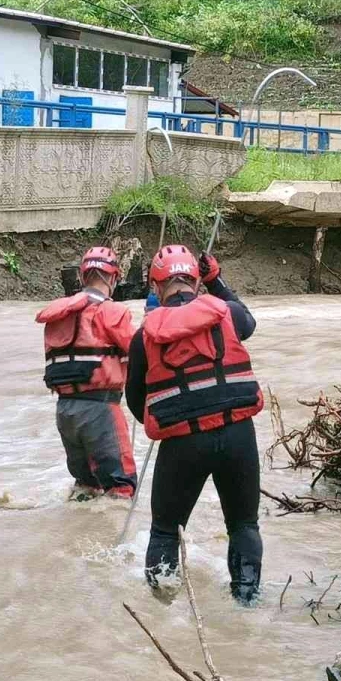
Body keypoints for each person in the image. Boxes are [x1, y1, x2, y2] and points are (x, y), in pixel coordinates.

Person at [124, 245, 264, 604]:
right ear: (197, 281)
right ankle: (247, 602)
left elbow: (139, 404)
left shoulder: (144, 337)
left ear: (156, 288)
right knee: (243, 526)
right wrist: (217, 282)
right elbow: (249, 319)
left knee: (165, 531)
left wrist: (175, 422)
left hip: (183, 445)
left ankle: (162, 606)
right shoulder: (228, 313)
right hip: (238, 436)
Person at [36, 246, 138, 501]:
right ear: (113, 277)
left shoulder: (57, 315)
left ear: (82, 277)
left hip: (65, 412)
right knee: (121, 488)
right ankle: (115, 540)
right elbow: (142, 351)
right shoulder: (112, 312)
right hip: (100, 410)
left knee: (86, 487)